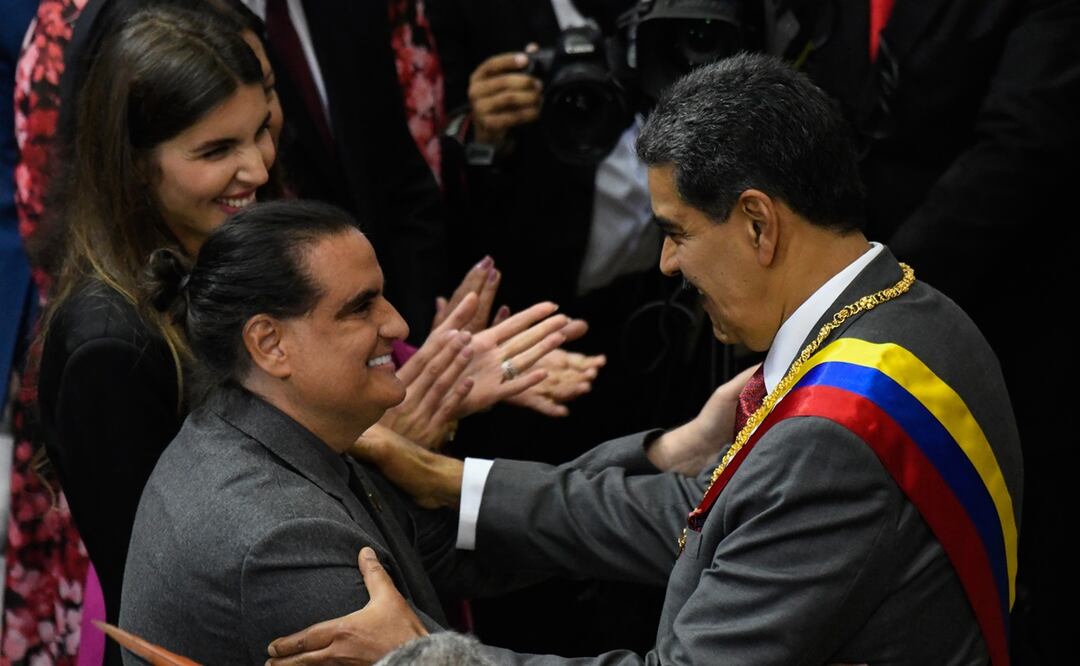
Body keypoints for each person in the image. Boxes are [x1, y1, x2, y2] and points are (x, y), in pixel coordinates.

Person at [266, 53, 1023, 665]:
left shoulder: (834, 435)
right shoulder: (919, 317)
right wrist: (457, 483)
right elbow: (715, 519)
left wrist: (424, 656)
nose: (665, 263)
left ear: (758, 224)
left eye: (678, 231)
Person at [119, 200, 530, 663]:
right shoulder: (281, 543)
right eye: (361, 308)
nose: (398, 324)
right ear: (270, 344)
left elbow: (444, 552)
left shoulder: (260, 427)